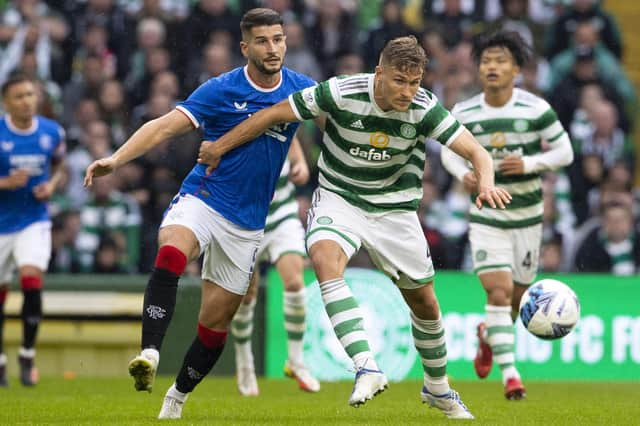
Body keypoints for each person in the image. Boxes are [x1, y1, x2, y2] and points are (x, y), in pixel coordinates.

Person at [198, 35, 513, 420]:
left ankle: (438, 388)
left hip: (395, 209)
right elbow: (273, 114)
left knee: (426, 303)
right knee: (325, 259)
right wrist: (219, 147)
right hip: (340, 198)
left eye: (415, 82)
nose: (407, 91)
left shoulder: (424, 107)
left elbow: (477, 151)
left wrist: (486, 182)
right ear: (378, 72)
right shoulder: (340, 92)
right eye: (399, 80)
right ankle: (366, 366)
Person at [84, 8, 316, 420]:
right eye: (262, 41)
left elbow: (344, 111)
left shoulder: (300, 89)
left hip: (247, 225)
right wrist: (115, 159)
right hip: (204, 198)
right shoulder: (220, 89)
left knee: (215, 326)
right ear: (245, 47)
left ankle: (175, 398)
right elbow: (162, 126)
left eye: (278, 39)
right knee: (172, 250)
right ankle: (150, 352)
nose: (273, 48)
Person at [440, 31, 574, 400]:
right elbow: (448, 151)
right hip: (486, 217)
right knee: (497, 291)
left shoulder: (535, 109)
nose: (492, 67)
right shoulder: (465, 111)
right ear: (479, 69)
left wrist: (532, 162)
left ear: (516, 69)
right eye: (486, 61)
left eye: (500, 61)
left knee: (515, 300)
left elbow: (565, 152)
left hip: (528, 217)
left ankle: (487, 336)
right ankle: (511, 377)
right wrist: (462, 174)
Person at [231, 138, 320, 396]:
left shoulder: (276, 110)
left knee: (294, 282)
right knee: (246, 295)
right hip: (244, 222)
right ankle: (244, 361)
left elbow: (291, 135)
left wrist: (300, 162)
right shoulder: (236, 121)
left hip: (282, 216)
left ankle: (295, 361)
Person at [0, 73, 66, 387]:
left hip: (33, 220)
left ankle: (27, 354)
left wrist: (50, 186)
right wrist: (5, 183)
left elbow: (59, 165)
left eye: (30, 94)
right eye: (19, 96)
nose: (27, 101)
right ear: (6, 103)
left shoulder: (52, 132)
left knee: (31, 278)